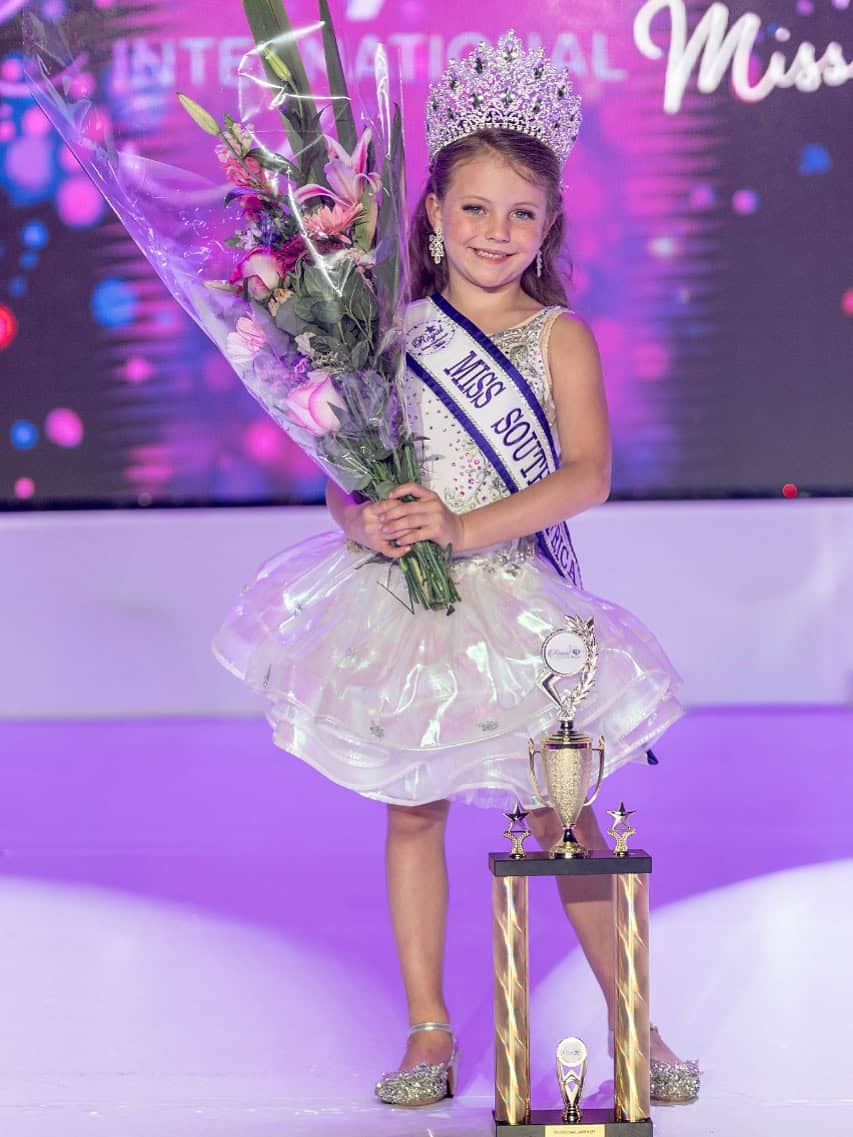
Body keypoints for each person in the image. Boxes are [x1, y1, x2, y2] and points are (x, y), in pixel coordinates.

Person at [213, 31, 699, 1109]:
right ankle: (429, 1025)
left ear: (548, 226)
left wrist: (466, 529)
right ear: (430, 213)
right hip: (405, 607)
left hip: (518, 601)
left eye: (520, 213)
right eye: (473, 208)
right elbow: (349, 471)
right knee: (413, 806)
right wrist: (365, 521)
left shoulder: (556, 336)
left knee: (561, 818)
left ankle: (636, 1021)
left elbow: (587, 477)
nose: (495, 231)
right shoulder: (382, 330)